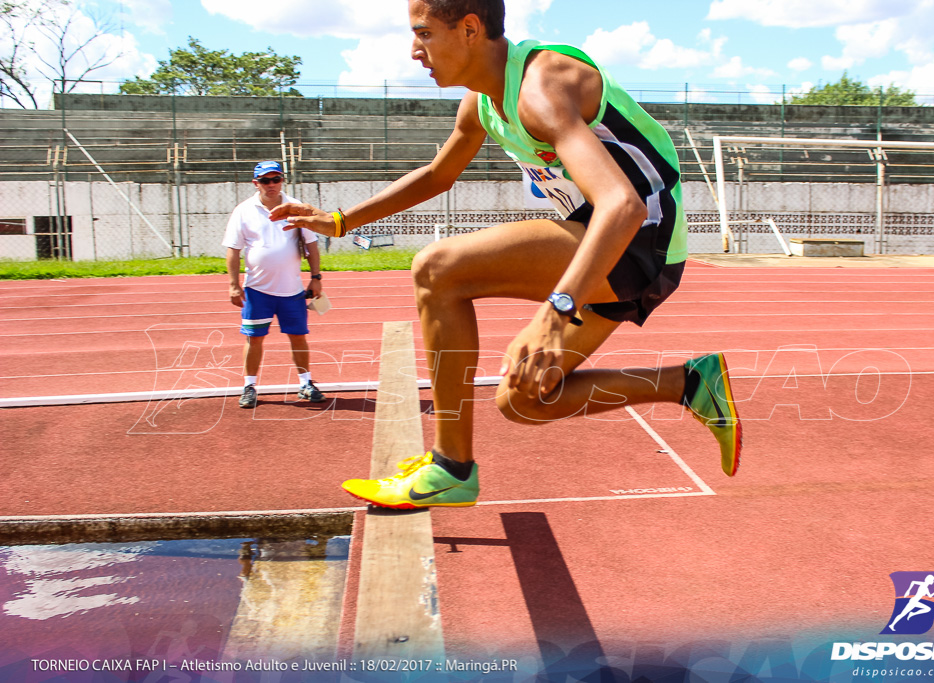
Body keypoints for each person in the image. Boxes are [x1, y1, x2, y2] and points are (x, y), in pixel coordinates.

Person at [270, 0, 741, 508]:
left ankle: (451, 468)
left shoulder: (541, 87)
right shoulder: (481, 103)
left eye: (424, 33)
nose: (414, 51)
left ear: (469, 29)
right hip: (603, 244)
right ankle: (690, 383)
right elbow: (437, 176)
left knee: (437, 269)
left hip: (637, 241)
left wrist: (557, 308)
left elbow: (621, 204)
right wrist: (341, 222)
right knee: (524, 398)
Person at [224, 160, 326, 409]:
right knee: (254, 338)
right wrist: (233, 285)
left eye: (276, 179)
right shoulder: (243, 210)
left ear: (282, 180)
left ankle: (305, 383)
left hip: (292, 290)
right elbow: (233, 249)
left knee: (298, 336)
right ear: (256, 183)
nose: (272, 185)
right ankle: (249, 386)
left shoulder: (297, 209)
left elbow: (311, 245)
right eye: (266, 181)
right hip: (257, 290)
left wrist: (316, 277)